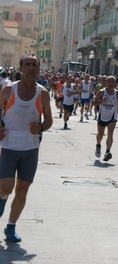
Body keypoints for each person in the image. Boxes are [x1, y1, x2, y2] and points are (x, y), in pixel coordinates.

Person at [0, 54, 53, 242]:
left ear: (39, 69)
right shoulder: (9, 90)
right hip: (8, 147)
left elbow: (48, 120)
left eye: (34, 65)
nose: (31, 68)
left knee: (22, 190)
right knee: (6, 187)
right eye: (27, 65)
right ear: (20, 68)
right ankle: (2, 199)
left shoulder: (43, 93)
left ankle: (11, 227)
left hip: (30, 149)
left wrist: (39, 127)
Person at [91, 76, 118, 161]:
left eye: (112, 82)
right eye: (109, 82)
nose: (111, 83)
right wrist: (101, 101)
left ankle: (107, 152)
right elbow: (93, 103)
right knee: (100, 135)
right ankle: (98, 144)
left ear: (115, 83)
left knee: (110, 132)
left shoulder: (117, 93)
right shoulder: (101, 92)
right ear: (106, 83)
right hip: (102, 116)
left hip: (112, 116)